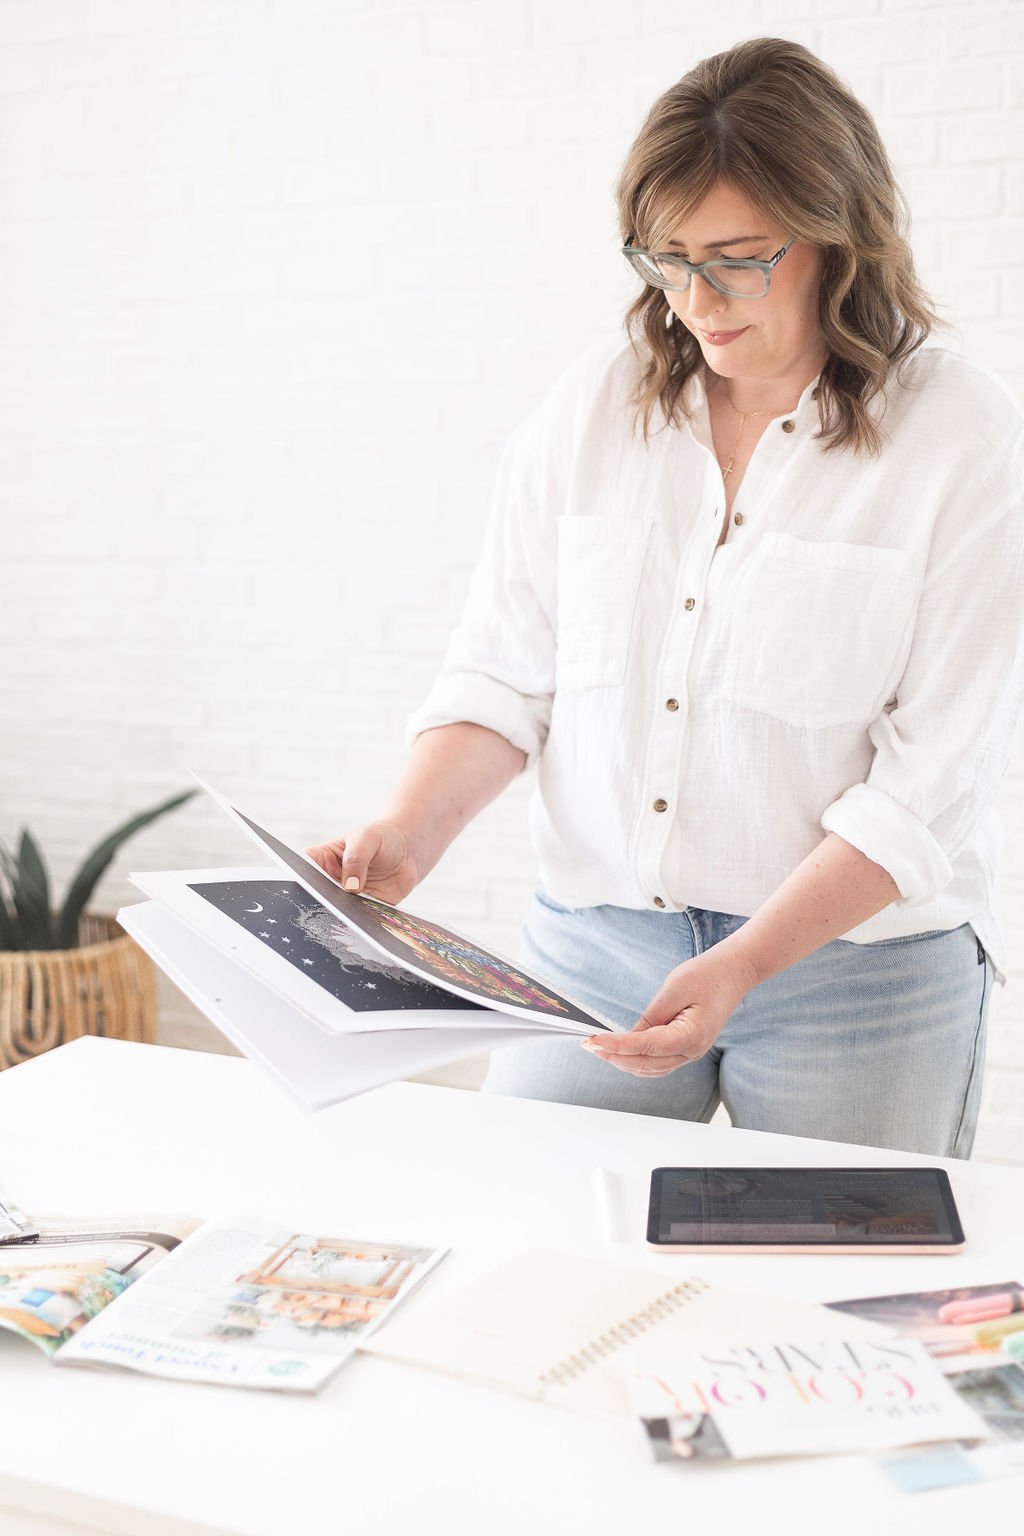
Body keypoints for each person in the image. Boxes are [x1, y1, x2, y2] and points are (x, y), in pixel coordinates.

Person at [308, 38, 1024, 1158]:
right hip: (591, 955)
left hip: (863, 977)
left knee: (852, 1305)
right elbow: (504, 673)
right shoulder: (596, 406)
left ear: (838, 232)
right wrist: (405, 836)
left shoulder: (962, 438)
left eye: (739, 259)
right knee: (540, 1265)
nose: (696, 300)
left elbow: (924, 787)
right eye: (667, 259)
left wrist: (745, 959)